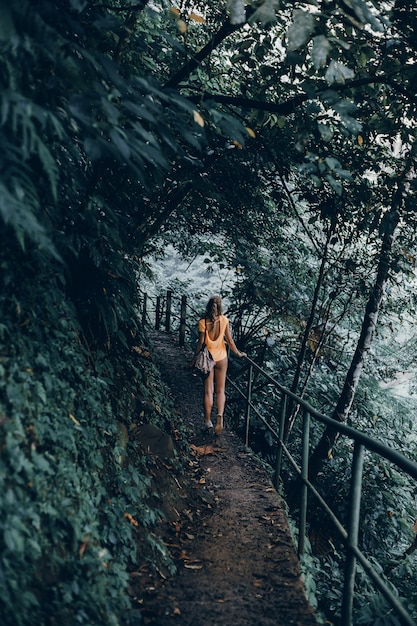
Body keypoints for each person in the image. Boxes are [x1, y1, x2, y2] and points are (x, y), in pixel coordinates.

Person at [192, 295, 246, 435]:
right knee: (221, 390)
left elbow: (200, 343)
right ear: (220, 307)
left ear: (208, 306)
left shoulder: (203, 322)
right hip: (222, 358)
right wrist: (238, 354)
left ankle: (207, 421)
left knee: (208, 391)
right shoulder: (224, 320)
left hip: (207, 360)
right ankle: (220, 415)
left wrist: (194, 359)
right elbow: (230, 341)